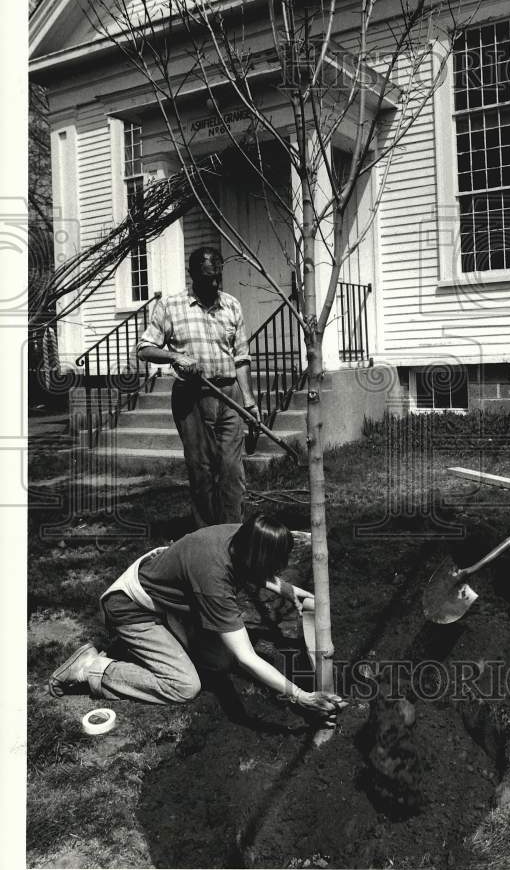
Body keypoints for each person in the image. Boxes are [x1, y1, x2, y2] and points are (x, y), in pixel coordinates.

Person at [49, 515, 343, 722]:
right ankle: (92, 668)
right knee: (184, 685)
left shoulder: (243, 534)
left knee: (219, 661)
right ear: (257, 557)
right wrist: (301, 696)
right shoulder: (214, 582)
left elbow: (252, 568)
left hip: (172, 597)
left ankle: (161, 645)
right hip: (131, 608)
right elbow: (247, 658)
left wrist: (289, 590)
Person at [137, 246, 262, 527]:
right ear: (192, 275)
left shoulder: (231, 305)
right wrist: (174, 356)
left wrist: (249, 401)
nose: (215, 284)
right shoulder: (171, 306)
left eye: (218, 276)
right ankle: (207, 536)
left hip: (229, 394)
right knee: (202, 470)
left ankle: (232, 533)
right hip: (192, 398)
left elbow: (241, 357)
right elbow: (144, 348)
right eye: (208, 278)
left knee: (232, 470)